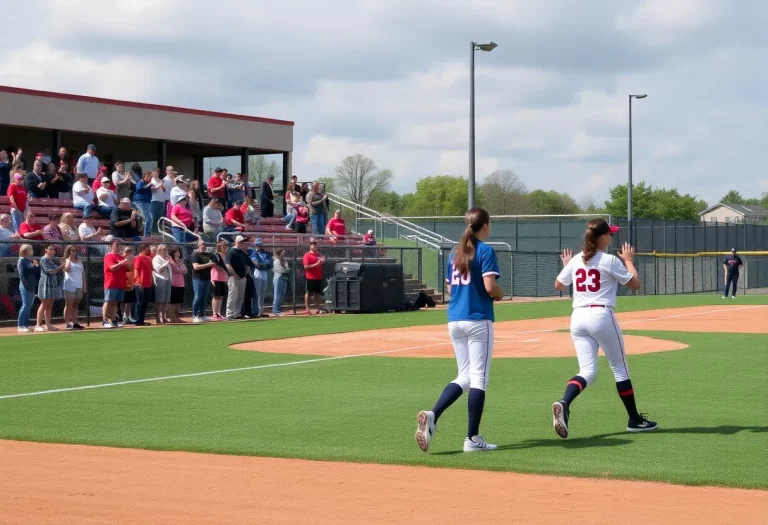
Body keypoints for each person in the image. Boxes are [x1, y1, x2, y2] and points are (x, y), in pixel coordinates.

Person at [552, 218, 657, 438]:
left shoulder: (577, 260)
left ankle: (564, 402)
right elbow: (636, 285)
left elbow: (559, 285)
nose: (612, 236)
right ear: (601, 237)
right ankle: (635, 420)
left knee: (587, 372)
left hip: (578, 317)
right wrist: (628, 260)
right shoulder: (609, 260)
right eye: (609, 234)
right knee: (619, 367)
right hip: (600, 315)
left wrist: (568, 267)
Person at [414, 208, 504, 454]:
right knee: (479, 378)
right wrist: (500, 293)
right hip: (478, 318)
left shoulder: (456, 252)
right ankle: (472, 439)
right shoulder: (485, 250)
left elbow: (452, 290)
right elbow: (490, 286)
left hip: (455, 319)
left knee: (464, 376)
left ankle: (434, 414)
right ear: (484, 226)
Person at [35, 243, 65, 332]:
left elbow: (57, 270)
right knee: (44, 304)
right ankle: (38, 325)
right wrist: (61, 266)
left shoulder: (51, 260)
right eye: (51, 249)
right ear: (46, 250)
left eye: (54, 249)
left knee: (50, 305)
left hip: (53, 284)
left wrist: (61, 266)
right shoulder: (43, 260)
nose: (53, 251)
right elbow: (51, 271)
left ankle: (48, 325)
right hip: (45, 284)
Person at [103, 239, 133, 329]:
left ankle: (114, 321)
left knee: (115, 303)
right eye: (117, 245)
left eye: (119, 245)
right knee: (108, 302)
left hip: (120, 283)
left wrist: (128, 261)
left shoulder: (121, 257)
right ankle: (104, 321)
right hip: (111, 283)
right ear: (111, 246)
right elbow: (112, 268)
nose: (119, 246)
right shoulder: (109, 256)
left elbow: (130, 268)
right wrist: (121, 263)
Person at [225, 235, 255, 319]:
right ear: (237, 242)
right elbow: (228, 265)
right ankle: (229, 314)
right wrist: (235, 274)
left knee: (240, 296)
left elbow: (248, 263)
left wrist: (244, 274)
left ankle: (237, 313)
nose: (244, 243)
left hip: (242, 277)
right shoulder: (231, 251)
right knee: (233, 295)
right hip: (233, 277)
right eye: (242, 242)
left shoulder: (242, 252)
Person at [190, 239, 216, 323]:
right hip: (198, 279)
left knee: (204, 298)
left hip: (207, 278)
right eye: (202, 245)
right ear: (198, 245)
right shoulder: (195, 254)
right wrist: (208, 264)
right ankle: (194, 315)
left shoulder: (208, 254)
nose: (204, 246)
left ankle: (202, 314)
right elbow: (196, 267)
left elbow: (215, 261)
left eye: (205, 245)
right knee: (198, 297)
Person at [16, 244, 40, 332]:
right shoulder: (21, 261)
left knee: (29, 306)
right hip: (25, 286)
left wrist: (36, 265)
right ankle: (20, 325)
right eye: (30, 249)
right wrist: (27, 286)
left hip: (32, 285)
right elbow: (21, 274)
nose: (32, 250)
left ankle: (25, 325)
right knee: (25, 305)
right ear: (26, 250)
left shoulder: (29, 260)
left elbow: (37, 272)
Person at [62, 245, 85, 330]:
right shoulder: (66, 261)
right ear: (68, 251)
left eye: (75, 250)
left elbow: (83, 274)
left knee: (75, 305)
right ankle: (67, 323)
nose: (74, 252)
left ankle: (75, 322)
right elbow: (67, 270)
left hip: (79, 285)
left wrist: (84, 286)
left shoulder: (79, 261)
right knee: (69, 305)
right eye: (72, 250)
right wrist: (68, 260)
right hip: (69, 286)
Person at [249, 237, 273, 317]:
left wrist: (263, 264)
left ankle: (261, 310)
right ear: (255, 245)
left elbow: (270, 263)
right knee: (257, 293)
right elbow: (256, 264)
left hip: (264, 273)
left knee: (262, 293)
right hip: (257, 273)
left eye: (260, 245)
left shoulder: (265, 253)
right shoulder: (253, 253)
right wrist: (263, 264)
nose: (259, 246)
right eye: (258, 245)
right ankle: (255, 310)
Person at [133, 243, 154, 326]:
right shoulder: (139, 258)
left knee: (145, 303)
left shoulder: (149, 258)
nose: (148, 251)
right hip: (140, 284)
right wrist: (138, 282)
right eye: (147, 250)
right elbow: (136, 270)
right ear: (142, 250)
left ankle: (141, 320)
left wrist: (151, 281)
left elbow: (150, 271)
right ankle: (138, 320)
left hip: (148, 284)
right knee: (140, 302)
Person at [302, 241, 326, 315]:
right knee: (309, 292)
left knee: (317, 293)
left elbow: (321, 262)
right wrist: (317, 264)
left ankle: (318, 307)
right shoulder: (307, 255)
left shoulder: (319, 255)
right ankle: (307, 308)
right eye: (313, 245)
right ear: (310, 247)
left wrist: (323, 261)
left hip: (318, 277)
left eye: (316, 245)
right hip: (310, 277)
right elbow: (306, 267)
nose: (315, 247)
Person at [210, 240, 230, 320]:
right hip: (216, 277)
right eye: (223, 245)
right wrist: (224, 269)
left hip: (223, 278)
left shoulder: (226, 255)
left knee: (221, 296)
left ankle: (218, 313)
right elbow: (214, 265)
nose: (225, 247)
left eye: (226, 245)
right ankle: (214, 313)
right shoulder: (215, 255)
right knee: (216, 296)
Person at [152, 244, 172, 324]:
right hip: (160, 280)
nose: (165, 251)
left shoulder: (166, 258)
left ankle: (163, 317)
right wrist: (167, 263)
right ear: (159, 250)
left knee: (166, 300)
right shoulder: (156, 258)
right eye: (163, 249)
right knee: (160, 300)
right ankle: (157, 318)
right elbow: (159, 269)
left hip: (168, 280)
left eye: (166, 249)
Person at [167, 246, 187, 323]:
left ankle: (177, 317)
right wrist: (181, 268)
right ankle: (172, 317)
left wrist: (181, 265)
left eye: (179, 252)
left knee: (178, 302)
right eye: (176, 252)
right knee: (172, 302)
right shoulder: (171, 262)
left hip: (181, 284)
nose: (178, 253)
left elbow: (185, 271)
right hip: (173, 284)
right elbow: (176, 270)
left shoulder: (180, 261)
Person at [132, 171, 153, 237]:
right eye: (148, 176)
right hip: (140, 202)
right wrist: (149, 185)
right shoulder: (140, 182)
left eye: (150, 176)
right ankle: (146, 234)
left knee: (148, 218)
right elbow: (140, 188)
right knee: (148, 218)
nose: (150, 178)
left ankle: (146, 233)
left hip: (146, 202)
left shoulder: (148, 183)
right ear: (144, 176)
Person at [120, 246, 137, 325]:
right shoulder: (122, 260)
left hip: (131, 283)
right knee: (123, 301)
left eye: (130, 252)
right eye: (126, 252)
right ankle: (124, 316)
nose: (128, 253)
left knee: (129, 301)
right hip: (123, 283)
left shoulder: (134, 260)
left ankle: (128, 316)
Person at [272, 248, 290, 317]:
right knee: (277, 295)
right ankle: (275, 311)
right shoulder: (276, 261)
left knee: (282, 295)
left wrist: (286, 269)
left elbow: (287, 269)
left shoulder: (284, 260)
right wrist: (286, 270)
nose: (284, 253)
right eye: (282, 252)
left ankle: (278, 309)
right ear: (280, 253)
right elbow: (281, 270)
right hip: (278, 278)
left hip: (284, 278)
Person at [149, 168, 167, 233]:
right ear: (153, 172)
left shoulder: (160, 180)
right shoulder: (151, 180)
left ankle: (157, 230)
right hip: (154, 201)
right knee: (153, 216)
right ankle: (152, 231)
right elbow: (153, 189)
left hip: (161, 201)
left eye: (158, 172)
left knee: (159, 217)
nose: (157, 173)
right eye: (156, 171)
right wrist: (160, 184)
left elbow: (164, 190)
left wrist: (162, 186)